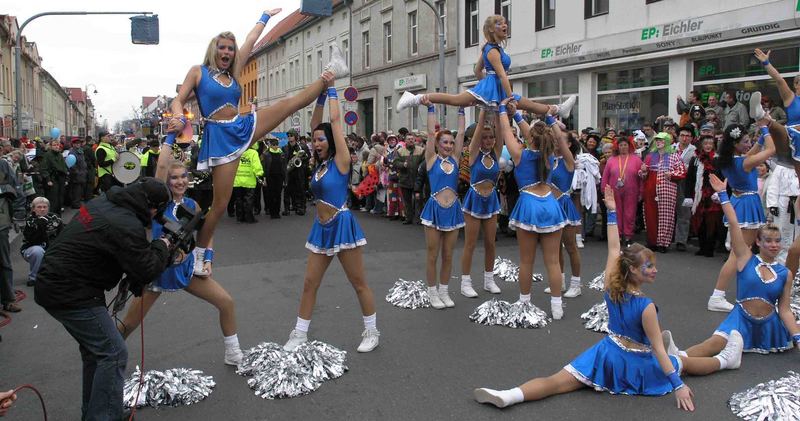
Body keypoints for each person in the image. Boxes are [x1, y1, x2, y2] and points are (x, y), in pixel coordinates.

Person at [473, 185, 744, 410]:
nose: (655, 269)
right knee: (682, 362)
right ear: (634, 270)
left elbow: (615, 249)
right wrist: (678, 385)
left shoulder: (610, 285)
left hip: (609, 354)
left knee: (557, 381)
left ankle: (510, 394)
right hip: (639, 363)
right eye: (649, 266)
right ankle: (726, 360)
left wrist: (612, 212)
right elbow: (658, 351)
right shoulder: (646, 306)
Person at [168, 8, 348, 277]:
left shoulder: (235, 72)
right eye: (223, 48)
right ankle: (198, 255)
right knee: (218, 206)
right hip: (220, 139)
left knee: (288, 104)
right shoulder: (198, 72)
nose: (228, 52)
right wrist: (178, 115)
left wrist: (264, 17)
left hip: (243, 125)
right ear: (214, 49)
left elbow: (250, 41)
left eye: (231, 48)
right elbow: (179, 99)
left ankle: (331, 72)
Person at [34, 178, 172, 421]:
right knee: (113, 352)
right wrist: (163, 245)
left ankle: (97, 413)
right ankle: (103, 417)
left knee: (94, 352)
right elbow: (146, 269)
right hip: (70, 290)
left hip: (58, 282)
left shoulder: (105, 202)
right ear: (151, 207)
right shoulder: (126, 223)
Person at [283, 87, 379, 353]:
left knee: (358, 283)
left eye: (321, 140)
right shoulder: (320, 164)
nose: (316, 143)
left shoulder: (342, 161)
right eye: (314, 140)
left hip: (342, 225)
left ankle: (371, 331)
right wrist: (321, 96)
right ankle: (299, 333)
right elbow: (317, 124)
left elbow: (334, 123)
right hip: (321, 228)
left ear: (332, 142)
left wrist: (334, 88)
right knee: (309, 283)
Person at [119, 159, 242, 366]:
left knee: (226, 303)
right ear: (166, 181)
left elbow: (206, 233)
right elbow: (160, 167)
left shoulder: (193, 205)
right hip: (158, 270)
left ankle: (233, 352)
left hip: (186, 270)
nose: (180, 181)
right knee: (129, 323)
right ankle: (106, 356)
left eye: (183, 176)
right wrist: (170, 136)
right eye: (174, 177)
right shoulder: (158, 204)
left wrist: (206, 259)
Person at [682, 175, 800, 357]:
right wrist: (723, 194)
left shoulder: (784, 273)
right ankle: (677, 359)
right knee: (714, 344)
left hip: (769, 327)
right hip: (741, 320)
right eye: (768, 240)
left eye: (777, 241)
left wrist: (797, 336)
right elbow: (735, 225)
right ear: (758, 242)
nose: (774, 245)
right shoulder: (746, 258)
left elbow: (784, 309)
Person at [396, 15, 575, 119]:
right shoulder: (492, 51)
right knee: (454, 99)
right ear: (491, 30)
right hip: (496, 86)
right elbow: (503, 76)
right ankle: (414, 98)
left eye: (504, 22)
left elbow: (476, 71)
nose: (504, 25)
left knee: (530, 105)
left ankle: (559, 109)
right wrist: (505, 95)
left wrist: (486, 89)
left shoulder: (489, 48)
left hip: (492, 87)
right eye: (499, 23)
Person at [501, 98, 569, 319]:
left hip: (529, 203)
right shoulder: (548, 155)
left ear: (530, 138)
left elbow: (506, 131)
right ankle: (557, 306)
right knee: (553, 261)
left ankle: (524, 302)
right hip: (550, 202)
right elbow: (536, 135)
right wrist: (522, 116)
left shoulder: (520, 154)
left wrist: (503, 110)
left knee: (526, 260)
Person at [707, 122, 775, 312]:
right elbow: (771, 149)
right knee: (738, 254)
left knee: (743, 253)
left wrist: (761, 134)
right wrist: (765, 129)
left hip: (740, 202)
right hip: (747, 204)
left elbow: (754, 150)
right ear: (735, 144)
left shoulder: (732, 159)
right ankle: (717, 295)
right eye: (744, 141)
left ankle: (744, 292)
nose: (748, 143)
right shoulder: (744, 162)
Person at [418, 102, 466, 309]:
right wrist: (430, 109)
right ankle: (432, 292)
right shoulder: (431, 159)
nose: (448, 146)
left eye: (451, 143)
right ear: (438, 144)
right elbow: (430, 133)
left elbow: (462, 132)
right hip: (434, 209)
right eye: (445, 142)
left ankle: (444, 290)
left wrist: (463, 108)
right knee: (433, 254)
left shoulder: (455, 159)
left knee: (448, 254)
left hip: (453, 209)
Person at [459, 109, 503, 298]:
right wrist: (484, 111)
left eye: (491, 137)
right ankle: (465, 282)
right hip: (474, 198)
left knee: (490, 243)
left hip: (491, 199)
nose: (488, 140)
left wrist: (500, 111)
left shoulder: (496, 153)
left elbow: (501, 132)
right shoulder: (473, 153)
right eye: (485, 137)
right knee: (470, 243)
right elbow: (477, 136)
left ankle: (488, 280)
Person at [548, 124, 582, 297]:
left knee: (570, 246)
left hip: (564, 206)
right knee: (555, 248)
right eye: (554, 139)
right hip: (550, 208)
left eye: (560, 139)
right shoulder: (550, 159)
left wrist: (553, 121)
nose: (556, 141)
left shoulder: (569, 160)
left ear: (568, 144)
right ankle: (559, 280)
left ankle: (576, 284)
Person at [639, 132, 686, 253]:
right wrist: (643, 171)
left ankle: (663, 243)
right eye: (657, 140)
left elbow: (682, 172)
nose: (659, 142)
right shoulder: (650, 156)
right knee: (650, 215)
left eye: (662, 140)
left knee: (666, 216)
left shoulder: (674, 156)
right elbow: (643, 174)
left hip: (667, 190)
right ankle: (652, 241)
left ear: (667, 142)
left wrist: (671, 174)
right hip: (650, 190)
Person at [602, 136, 643, 247]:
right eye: (621, 145)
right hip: (614, 191)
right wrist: (604, 190)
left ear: (629, 146)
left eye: (625, 145)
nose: (623, 147)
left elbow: (641, 177)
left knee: (630, 213)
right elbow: (605, 176)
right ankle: (618, 235)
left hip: (631, 191)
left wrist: (641, 192)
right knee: (617, 213)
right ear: (617, 147)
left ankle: (628, 236)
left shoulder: (636, 159)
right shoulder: (611, 160)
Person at [685, 135, 723, 257]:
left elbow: (722, 177)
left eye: (710, 144)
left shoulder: (717, 159)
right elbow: (690, 179)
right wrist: (688, 196)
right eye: (705, 143)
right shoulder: (695, 160)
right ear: (701, 145)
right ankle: (702, 247)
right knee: (699, 221)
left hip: (712, 195)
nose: (708, 146)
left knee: (711, 221)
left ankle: (710, 248)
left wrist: (719, 192)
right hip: (699, 195)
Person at [21, 197, 62, 287]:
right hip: (31, 248)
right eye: (39, 207)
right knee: (37, 251)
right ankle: (34, 277)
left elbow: (62, 234)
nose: (42, 209)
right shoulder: (29, 221)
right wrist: (41, 225)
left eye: (45, 207)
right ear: (33, 209)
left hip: (51, 247)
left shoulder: (55, 218)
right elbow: (32, 240)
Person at [674, 126, 697, 251]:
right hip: (670, 181)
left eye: (687, 136)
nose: (684, 138)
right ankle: (666, 238)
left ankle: (681, 240)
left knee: (684, 212)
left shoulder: (694, 151)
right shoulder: (671, 148)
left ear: (692, 138)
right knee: (667, 211)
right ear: (678, 136)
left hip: (685, 182)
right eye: (682, 135)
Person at [232, 142, 263, 223]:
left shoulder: (235, 152)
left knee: (239, 200)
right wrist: (260, 174)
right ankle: (249, 218)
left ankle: (239, 218)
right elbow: (257, 166)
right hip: (249, 181)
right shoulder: (253, 153)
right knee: (249, 201)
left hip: (237, 181)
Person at [283, 129, 311, 216]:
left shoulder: (302, 147)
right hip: (289, 171)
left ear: (295, 137)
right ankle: (287, 209)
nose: (289, 137)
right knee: (287, 191)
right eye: (288, 136)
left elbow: (308, 156)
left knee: (300, 190)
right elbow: (283, 160)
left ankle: (301, 207)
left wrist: (302, 159)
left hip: (299, 171)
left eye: (291, 136)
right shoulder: (285, 148)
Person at [40, 140, 67, 215]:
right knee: (53, 200)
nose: (57, 146)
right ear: (51, 146)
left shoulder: (60, 155)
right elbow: (44, 169)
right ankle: (51, 217)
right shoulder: (47, 155)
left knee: (60, 200)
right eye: (55, 145)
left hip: (60, 179)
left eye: (57, 145)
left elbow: (64, 167)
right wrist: (48, 179)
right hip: (53, 179)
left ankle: (58, 218)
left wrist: (66, 179)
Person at [261, 138, 286, 219]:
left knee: (278, 195)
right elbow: (264, 167)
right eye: (273, 145)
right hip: (270, 176)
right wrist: (264, 178)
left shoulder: (282, 154)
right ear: (270, 145)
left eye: (276, 144)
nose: (275, 146)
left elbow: (284, 167)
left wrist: (285, 178)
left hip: (279, 176)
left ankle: (277, 212)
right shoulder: (266, 154)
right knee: (271, 195)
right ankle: (272, 212)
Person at [68, 138, 88, 209]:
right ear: (73, 144)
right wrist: (77, 172)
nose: (78, 144)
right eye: (76, 143)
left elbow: (83, 161)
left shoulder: (80, 151)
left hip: (82, 173)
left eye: (79, 143)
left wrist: (85, 170)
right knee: (76, 190)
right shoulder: (72, 152)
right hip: (76, 175)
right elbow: (72, 165)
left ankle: (78, 202)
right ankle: (75, 203)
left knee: (80, 190)